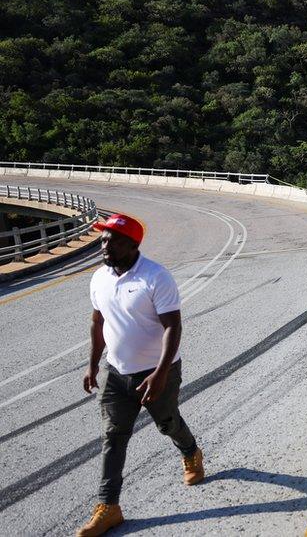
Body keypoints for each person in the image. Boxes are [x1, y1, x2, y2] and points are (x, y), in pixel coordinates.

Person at [77, 214, 204, 537]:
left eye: (112, 240)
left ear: (132, 244)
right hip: (115, 372)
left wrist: (161, 373)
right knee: (113, 435)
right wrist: (93, 364)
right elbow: (97, 322)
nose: (104, 245)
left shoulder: (155, 277)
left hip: (156, 372)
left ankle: (190, 452)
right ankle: (109, 507)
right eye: (103, 239)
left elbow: (172, 325)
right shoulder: (99, 278)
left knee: (167, 422)